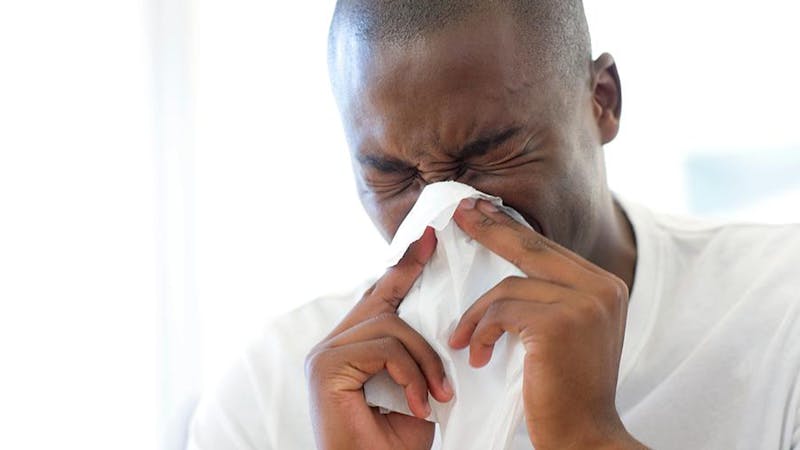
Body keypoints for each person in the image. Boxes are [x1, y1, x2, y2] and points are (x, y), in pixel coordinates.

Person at [187, 1, 800, 448]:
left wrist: (590, 439)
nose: (445, 213)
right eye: (393, 175)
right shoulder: (273, 394)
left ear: (602, 101)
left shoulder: (778, 315)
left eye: (488, 156)